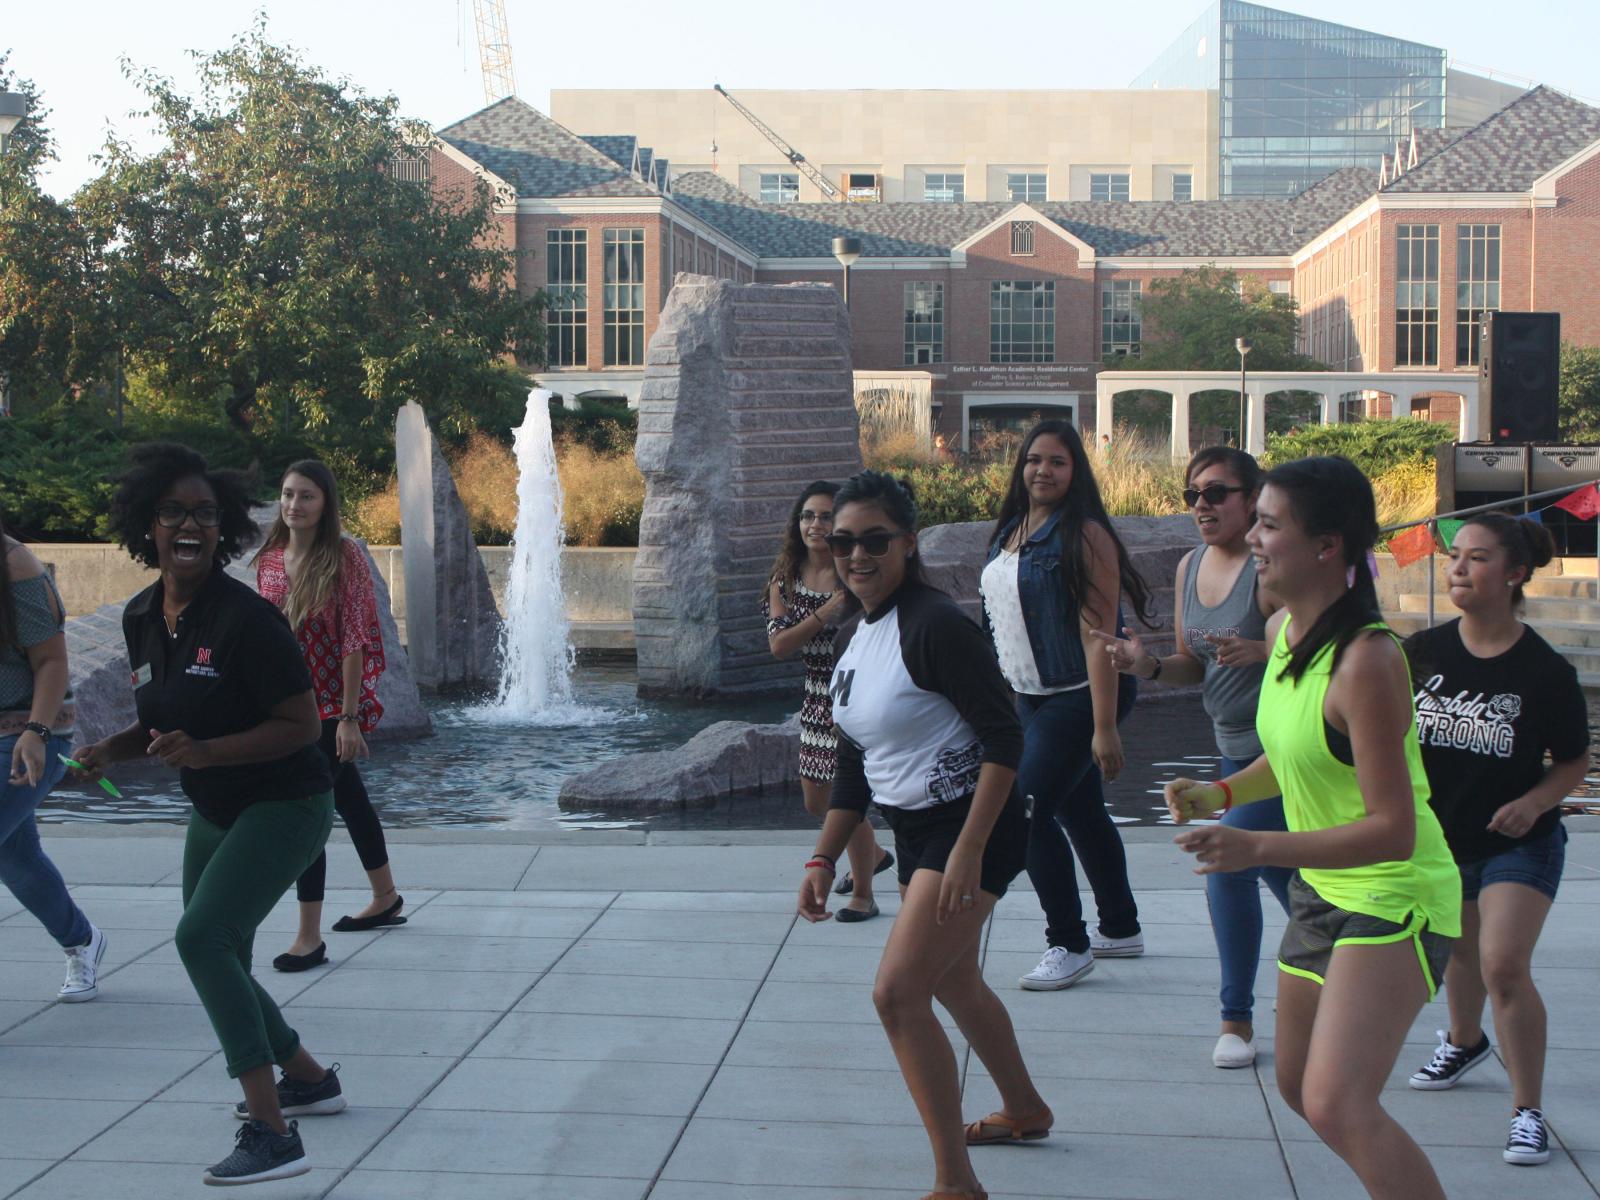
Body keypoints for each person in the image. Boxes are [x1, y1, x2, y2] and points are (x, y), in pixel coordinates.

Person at [1164, 455, 1460, 1200]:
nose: (1252, 539)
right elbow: (1295, 753)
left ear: (1327, 546)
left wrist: (1255, 846)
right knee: (1299, 1088)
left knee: (1337, 1101)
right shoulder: (1287, 630)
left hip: (1396, 895)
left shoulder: (1366, 661)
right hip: (1323, 891)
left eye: (1268, 524)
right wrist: (1221, 791)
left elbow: (1393, 829)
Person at [70, 443, 345, 1186]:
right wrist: (111, 749)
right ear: (147, 526)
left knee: (202, 938)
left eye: (203, 513)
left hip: (286, 801)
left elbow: (302, 723)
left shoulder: (247, 620)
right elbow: (164, 722)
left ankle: (272, 1131)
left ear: (221, 529)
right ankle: (310, 1079)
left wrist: (210, 753)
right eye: (172, 513)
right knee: (215, 948)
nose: (187, 525)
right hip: (217, 805)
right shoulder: (141, 618)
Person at [799, 470, 1048, 1200]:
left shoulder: (936, 625)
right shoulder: (856, 634)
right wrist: (824, 854)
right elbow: (854, 767)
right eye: (842, 541)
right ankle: (1026, 1108)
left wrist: (971, 848)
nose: (856, 555)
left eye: (874, 540)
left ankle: (954, 1181)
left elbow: (1006, 738)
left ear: (908, 543)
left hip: (976, 824)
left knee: (898, 994)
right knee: (954, 980)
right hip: (919, 829)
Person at [1402, 513, 1589, 1167]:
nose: (1458, 568)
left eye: (1476, 558)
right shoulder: (1421, 652)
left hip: (1520, 840)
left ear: (1513, 575)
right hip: (1442, 839)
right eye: (1455, 556)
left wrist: (1535, 801)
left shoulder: (1545, 672)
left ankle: (1527, 1112)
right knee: (1458, 954)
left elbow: (1572, 761)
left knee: (1502, 966)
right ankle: (1463, 1040)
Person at [1094, 447, 1289, 1066]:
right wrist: (1144, 664)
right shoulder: (1189, 566)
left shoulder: (1271, 566)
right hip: (1232, 751)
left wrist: (1263, 651)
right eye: (1191, 495)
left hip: (1285, 752)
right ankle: (1353, 966)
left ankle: (1236, 1020)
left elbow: (1322, 645)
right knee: (1298, 886)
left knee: (1226, 860)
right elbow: (1189, 668)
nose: (1201, 506)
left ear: (1252, 498)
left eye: (1216, 493)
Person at [980, 419, 1152, 991]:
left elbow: (1097, 636)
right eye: (1034, 460)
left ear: (1075, 470)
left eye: (1057, 461)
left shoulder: (1085, 534)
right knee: (1079, 810)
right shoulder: (1011, 528)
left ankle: (1068, 943)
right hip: (1031, 696)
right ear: (1020, 466)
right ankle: (1120, 927)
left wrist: (1104, 727)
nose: (1043, 471)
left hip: (1082, 692)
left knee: (1023, 811)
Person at [255, 460, 403, 970]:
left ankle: (308, 938)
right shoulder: (270, 561)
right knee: (347, 797)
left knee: (308, 811)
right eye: (288, 494)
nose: (294, 505)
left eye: (307, 496)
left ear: (326, 504)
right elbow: (265, 643)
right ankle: (385, 897)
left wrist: (349, 716)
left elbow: (355, 639)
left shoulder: (343, 558)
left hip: (327, 712)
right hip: (287, 709)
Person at [763, 480, 888, 920]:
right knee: (815, 800)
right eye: (807, 516)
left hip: (853, 692)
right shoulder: (786, 578)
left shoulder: (853, 571)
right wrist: (825, 612)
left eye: (825, 516)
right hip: (815, 695)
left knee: (844, 797)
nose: (815, 524)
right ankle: (872, 854)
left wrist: (830, 609)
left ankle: (864, 894)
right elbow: (780, 645)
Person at [1, 508, 104, 1001]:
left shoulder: (14, 564)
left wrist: (38, 732)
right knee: (17, 860)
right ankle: (82, 940)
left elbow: (51, 660)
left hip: (26, 733)